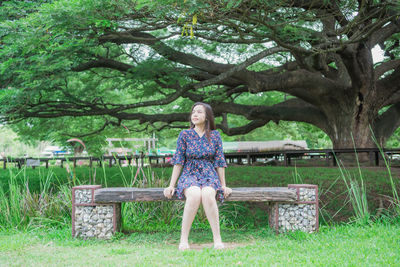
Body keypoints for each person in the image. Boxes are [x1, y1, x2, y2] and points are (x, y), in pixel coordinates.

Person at [164, 102, 232, 250]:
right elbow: (178, 161)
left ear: (207, 117)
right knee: (194, 195)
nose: (195, 114)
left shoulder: (215, 136)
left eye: (199, 112)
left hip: (209, 173)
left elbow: (220, 161)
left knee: (208, 194)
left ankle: (217, 239)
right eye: (193, 112)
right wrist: (171, 185)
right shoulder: (185, 135)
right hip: (189, 173)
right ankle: (183, 240)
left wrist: (223, 185)